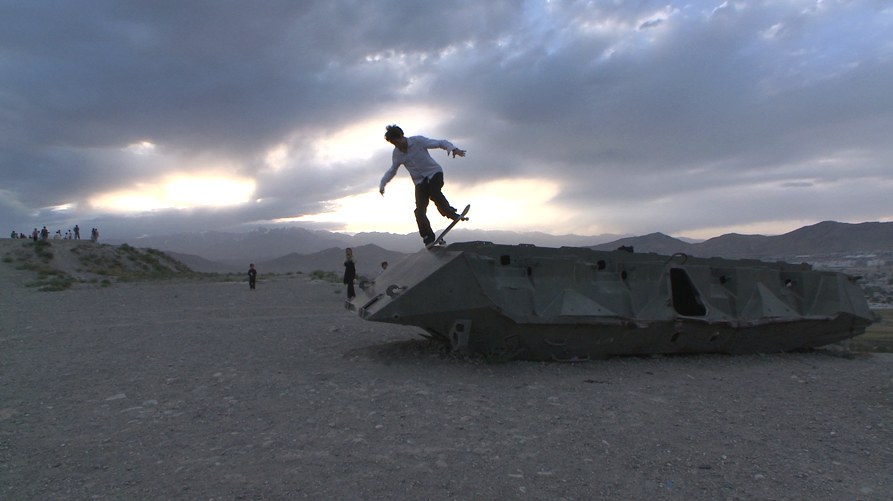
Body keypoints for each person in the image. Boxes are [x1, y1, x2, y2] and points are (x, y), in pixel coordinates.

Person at [379, 124, 468, 246]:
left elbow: (440, 143)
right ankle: (428, 237)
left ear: (401, 136)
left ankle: (451, 213)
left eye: (397, 142)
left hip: (434, 173)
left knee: (434, 193)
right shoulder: (397, 154)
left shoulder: (418, 141)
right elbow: (392, 170)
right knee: (419, 211)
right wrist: (383, 183)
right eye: (394, 144)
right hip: (420, 182)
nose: (397, 146)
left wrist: (453, 149)